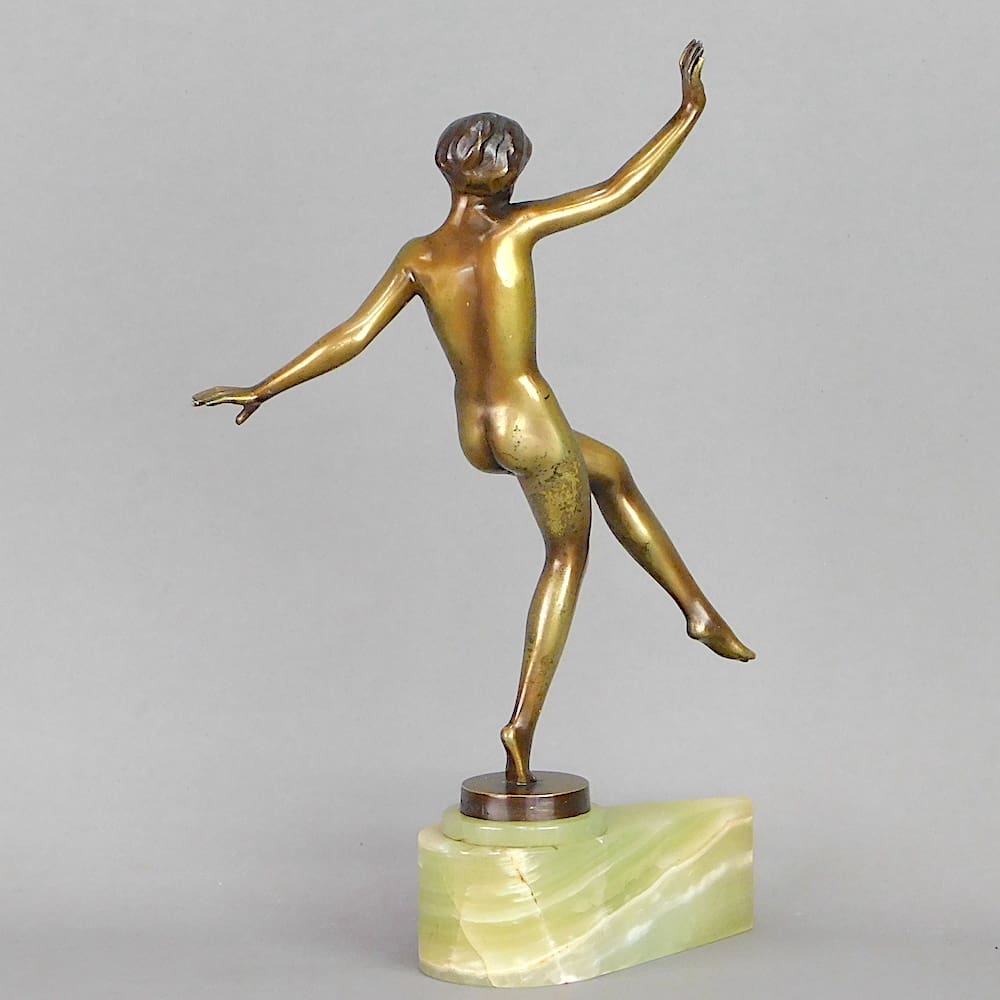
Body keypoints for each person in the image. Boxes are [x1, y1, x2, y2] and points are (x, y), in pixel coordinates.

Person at [194, 39, 753, 786]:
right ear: (515, 173)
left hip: (475, 429)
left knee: (611, 470)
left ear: (443, 167)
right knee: (566, 556)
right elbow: (620, 187)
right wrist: (687, 112)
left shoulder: (420, 254)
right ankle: (522, 723)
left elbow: (352, 336)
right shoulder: (517, 227)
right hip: (529, 420)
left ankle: (698, 611)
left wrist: (266, 386)